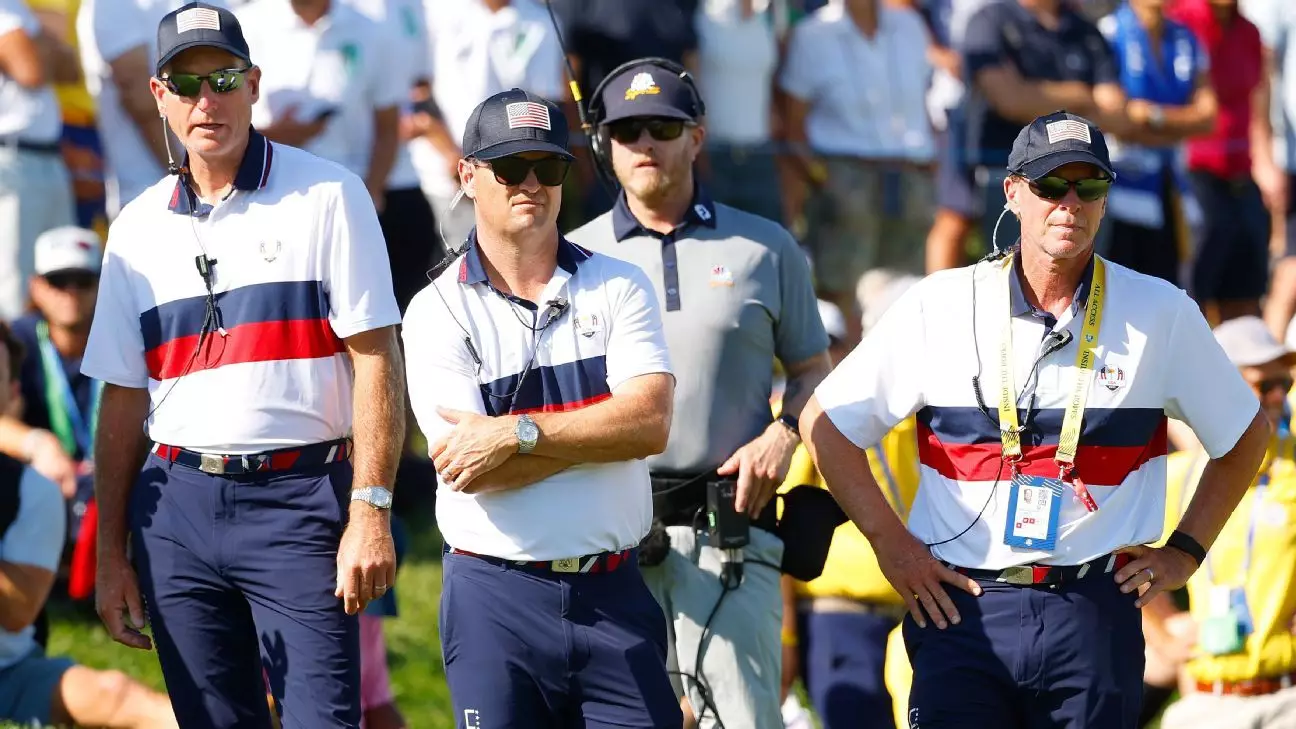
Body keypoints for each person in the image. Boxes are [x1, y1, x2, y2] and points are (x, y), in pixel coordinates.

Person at [799, 110, 1272, 729]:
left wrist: (1185, 552)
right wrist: (893, 546)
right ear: (1013, 192)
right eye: (1051, 185)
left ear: (1105, 200)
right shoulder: (941, 303)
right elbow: (827, 425)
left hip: (1093, 606)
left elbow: (1246, 435)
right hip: (960, 603)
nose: (1069, 203)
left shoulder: (1162, 311)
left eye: (1089, 187)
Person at [81, 4, 405, 727]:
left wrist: (371, 509)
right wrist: (110, 551)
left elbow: (378, 360)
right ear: (158, 95)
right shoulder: (134, 226)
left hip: (299, 500)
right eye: (185, 83)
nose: (207, 100)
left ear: (254, 83)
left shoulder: (331, 193)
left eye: (223, 77)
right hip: (176, 508)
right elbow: (124, 396)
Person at [402, 87, 680, 728]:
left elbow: (649, 424)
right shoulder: (435, 310)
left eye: (547, 167)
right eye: (509, 168)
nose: (530, 183)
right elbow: (473, 469)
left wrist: (516, 433)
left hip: (614, 589)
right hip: (494, 597)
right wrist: (600, 433)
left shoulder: (619, 283)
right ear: (469, 177)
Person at [567, 59, 833, 729]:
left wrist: (783, 434)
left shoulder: (767, 246)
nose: (646, 145)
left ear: (698, 137)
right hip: (609, 537)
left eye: (663, 127)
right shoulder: (570, 257)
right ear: (604, 143)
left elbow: (814, 371)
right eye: (627, 131)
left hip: (731, 536)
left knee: (744, 719)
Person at [0, 321, 179, 729]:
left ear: (13, 396)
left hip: (9, 670)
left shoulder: (34, 490)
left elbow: (15, 611)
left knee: (112, 692)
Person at [778, 290, 921, 729]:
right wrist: (784, 638)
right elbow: (780, 535)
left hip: (907, 613)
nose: (830, 356)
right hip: (839, 616)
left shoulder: (903, 415)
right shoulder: (799, 420)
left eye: (835, 344)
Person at [1151, 316, 1296, 729]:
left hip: (1288, 698)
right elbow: (1117, 553)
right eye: (1262, 385)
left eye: (1283, 385)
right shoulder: (1178, 476)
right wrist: (1161, 631)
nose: (1277, 399)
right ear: (1220, 387)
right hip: (1205, 702)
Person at [778, 0, 935, 341]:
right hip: (844, 175)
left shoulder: (910, 25)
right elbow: (793, 125)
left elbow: (925, 106)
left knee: (907, 293)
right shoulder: (813, 34)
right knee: (842, 295)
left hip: (910, 177)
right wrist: (824, 180)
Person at [956, 0, 1125, 257]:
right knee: (1009, 278)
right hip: (1010, 175)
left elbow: (1115, 111)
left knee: (1085, 282)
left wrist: (1034, 93)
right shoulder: (990, 21)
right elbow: (1010, 100)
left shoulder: (1085, 30)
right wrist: (1082, 95)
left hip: (1084, 182)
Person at [1169, 0, 1283, 324]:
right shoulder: (1184, 22)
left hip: (1242, 174)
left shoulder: (1249, 32)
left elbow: (1258, 102)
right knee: (1195, 292)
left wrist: (1267, 163)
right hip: (1195, 174)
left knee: (1247, 289)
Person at [11, 225, 105, 599]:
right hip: (45, 479)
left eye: (82, 280)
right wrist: (37, 443)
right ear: (36, 286)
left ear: (103, 285)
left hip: (110, 482)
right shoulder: (14, 340)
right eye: (58, 280)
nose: (71, 293)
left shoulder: (129, 337)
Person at [1096, 0, 1217, 286]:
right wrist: (1181, 124)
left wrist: (1152, 116)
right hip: (1118, 185)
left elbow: (1209, 119)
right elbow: (1116, 119)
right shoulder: (1109, 32)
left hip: (1171, 185)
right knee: (1117, 288)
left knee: (1166, 289)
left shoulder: (1186, 38)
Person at [76, 0, 198, 217]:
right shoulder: (113, 5)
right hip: (152, 198)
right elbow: (138, 95)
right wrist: (187, 180)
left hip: (211, 189)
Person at [0, 0, 77, 320]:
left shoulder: (18, 9)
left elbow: (71, 69)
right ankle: (16, 371)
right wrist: (47, 40)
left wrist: (38, 40)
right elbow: (31, 70)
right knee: (15, 292)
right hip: (14, 160)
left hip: (43, 158)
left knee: (67, 276)